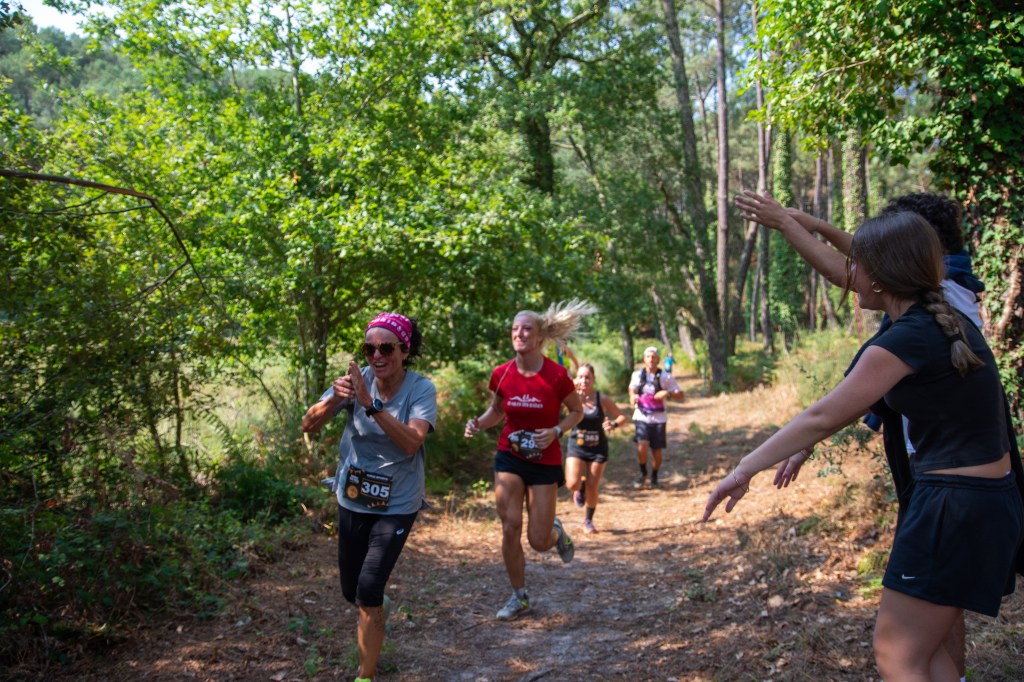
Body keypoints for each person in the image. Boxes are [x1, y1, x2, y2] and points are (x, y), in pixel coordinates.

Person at [703, 208, 1024, 681]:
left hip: (952, 509)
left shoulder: (910, 336)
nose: (848, 274)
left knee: (898, 656)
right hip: (980, 501)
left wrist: (742, 470)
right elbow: (851, 401)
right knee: (928, 653)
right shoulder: (940, 323)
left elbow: (821, 415)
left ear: (880, 276)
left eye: (856, 264)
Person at [301, 313, 436, 682]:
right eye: (369, 348)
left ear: (404, 351)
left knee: (369, 586)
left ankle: (365, 676)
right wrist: (336, 398)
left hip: (398, 502)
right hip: (354, 495)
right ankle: (375, 607)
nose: (377, 355)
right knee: (353, 591)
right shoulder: (355, 381)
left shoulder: (421, 389)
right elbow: (308, 424)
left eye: (386, 348)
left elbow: (411, 442)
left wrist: (371, 404)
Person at [464, 300, 593, 621]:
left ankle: (556, 532)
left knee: (538, 540)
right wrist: (477, 423)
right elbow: (497, 411)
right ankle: (519, 597)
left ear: (539, 337)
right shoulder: (502, 373)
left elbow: (577, 412)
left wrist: (556, 431)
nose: (519, 334)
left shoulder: (556, 375)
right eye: (514, 329)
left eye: (526, 329)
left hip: (544, 460)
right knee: (510, 526)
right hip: (509, 456)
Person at [565, 363, 628, 534]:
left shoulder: (602, 399)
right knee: (572, 483)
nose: (584, 380)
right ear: (576, 379)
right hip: (577, 446)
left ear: (593, 379)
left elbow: (622, 417)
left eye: (587, 377)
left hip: (598, 448)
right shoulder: (571, 397)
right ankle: (580, 487)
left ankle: (588, 520)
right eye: (580, 376)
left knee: (593, 486)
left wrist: (613, 424)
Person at [628, 346, 684, 489]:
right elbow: (632, 388)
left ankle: (654, 476)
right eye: (648, 357)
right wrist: (632, 396)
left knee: (656, 451)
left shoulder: (665, 377)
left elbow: (680, 394)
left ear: (658, 359)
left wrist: (668, 393)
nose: (651, 359)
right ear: (644, 359)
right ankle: (642, 473)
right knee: (642, 445)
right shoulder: (637, 375)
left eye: (653, 357)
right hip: (641, 416)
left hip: (659, 418)